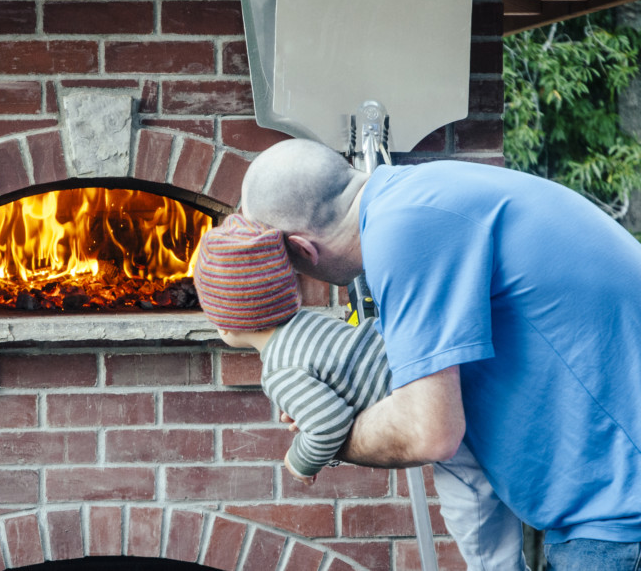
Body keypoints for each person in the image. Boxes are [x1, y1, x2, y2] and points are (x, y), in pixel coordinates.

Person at [238, 137, 641, 570]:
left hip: (617, 522)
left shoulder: (404, 229)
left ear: (303, 249)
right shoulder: (421, 196)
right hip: (608, 511)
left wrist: (326, 433)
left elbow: (429, 431)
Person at [193, 213, 527, 570]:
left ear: (224, 322)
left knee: (478, 530)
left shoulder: (279, 370)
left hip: (437, 417)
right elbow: (344, 382)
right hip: (446, 378)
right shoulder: (311, 323)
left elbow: (329, 423)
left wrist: (300, 461)